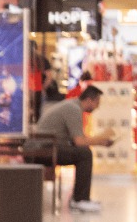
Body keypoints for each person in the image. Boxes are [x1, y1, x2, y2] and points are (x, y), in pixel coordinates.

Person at [24, 84, 114, 213]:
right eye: (97, 103)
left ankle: (79, 198)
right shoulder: (73, 109)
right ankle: (80, 200)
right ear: (89, 100)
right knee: (85, 154)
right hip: (42, 149)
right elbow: (79, 141)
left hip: (44, 147)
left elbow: (78, 139)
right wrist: (101, 141)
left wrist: (100, 140)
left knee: (83, 152)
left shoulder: (72, 106)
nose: (98, 107)